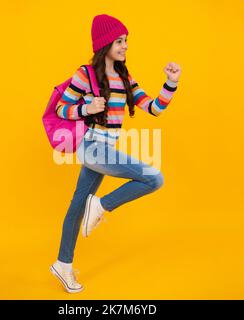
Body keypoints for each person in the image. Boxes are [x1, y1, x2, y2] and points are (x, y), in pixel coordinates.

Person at [50, 13, 182, 293]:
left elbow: (154, 108)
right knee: (154, 178)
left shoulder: (124, 76)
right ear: (104, 44)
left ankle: (63, 264)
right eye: (119, 41)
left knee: (77, 205)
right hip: (91, 147)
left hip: (104, 149)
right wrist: (87, 109)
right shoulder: (85, 74)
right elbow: (61, 109)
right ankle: (101, 206)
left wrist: (171, 83)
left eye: (126, 41)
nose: (124, 46)